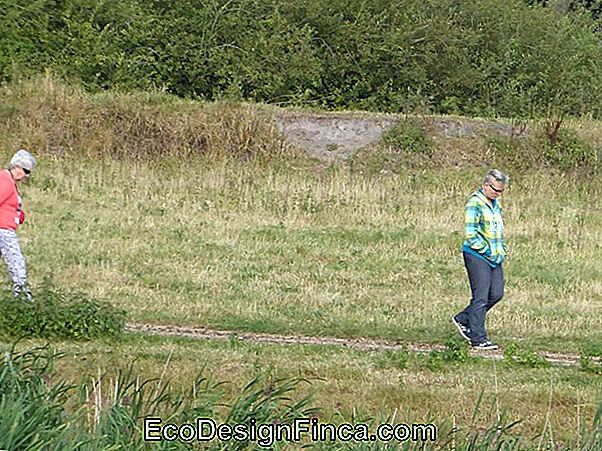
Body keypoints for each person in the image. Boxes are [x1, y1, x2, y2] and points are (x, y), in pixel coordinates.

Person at [452, 169, 509, 350]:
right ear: (486, 185)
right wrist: (487, 251)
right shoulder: (475, 203)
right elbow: (471, 234)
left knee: (496, 293)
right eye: (495, 190)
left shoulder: (495, 204)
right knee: (481, 297)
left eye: (501, 191)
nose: (498, 194)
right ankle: (478, 338)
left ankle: (463, 318)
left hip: (494, 257)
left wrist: (501, 251)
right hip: (477, 255)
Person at [0, 149, 36, 300]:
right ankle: (23, 299)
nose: (27, 176)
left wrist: (18, 214)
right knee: (17, 264)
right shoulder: (5, 181)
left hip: (5, 227)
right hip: (3, 230)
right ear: (16, 166)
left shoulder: (9, 181)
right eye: (26, 171)